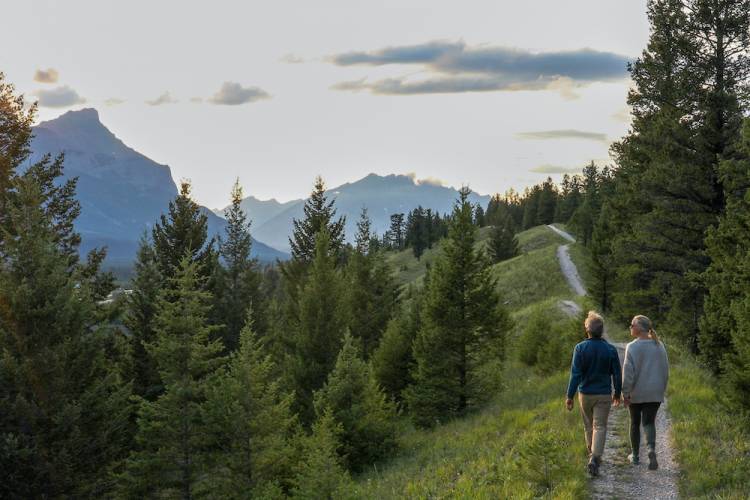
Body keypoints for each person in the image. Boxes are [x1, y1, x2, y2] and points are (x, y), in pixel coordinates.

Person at [565, 310, 621, 477]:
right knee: (600, 426)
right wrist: (617, 393)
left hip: (585, 394)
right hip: (603, 394)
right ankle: (595, 458)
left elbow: (575, 375)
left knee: (589, 426)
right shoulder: (610, 350)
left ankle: (592, 455)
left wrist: (569, 396)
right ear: (601, 330)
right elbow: (617, 374)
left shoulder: (580, 348)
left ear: (587, 330)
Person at [622, 314, 669, 471]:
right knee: (649, 422)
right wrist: (661, 388)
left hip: (637, 391)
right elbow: (665, 370)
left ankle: (635, 457)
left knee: (635, 422)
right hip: (655, 391)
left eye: (632, 325)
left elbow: (628, 373)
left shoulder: (632, 347)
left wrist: (626, 393)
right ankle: (651, 450)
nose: (630, 327)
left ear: (639, 328)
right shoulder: (659, 345)